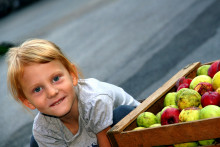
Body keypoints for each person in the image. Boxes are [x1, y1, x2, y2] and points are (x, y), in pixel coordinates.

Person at [6, 39, 140, 147]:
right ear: (28, 101)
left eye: (56, 78)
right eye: (37, 89)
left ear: (72, 75)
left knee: (121, 114)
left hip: (128, 130)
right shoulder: (43, 129)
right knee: (36, 142)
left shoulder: (95, 99)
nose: (52, 92)